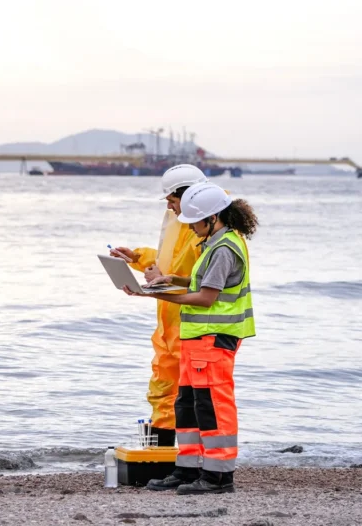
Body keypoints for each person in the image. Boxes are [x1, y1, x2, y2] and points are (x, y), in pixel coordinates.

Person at [123, 181, 258, 495]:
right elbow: (202, 281)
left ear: (212, 218)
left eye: (194, 222)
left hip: (213, 338)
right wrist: (174, 279)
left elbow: (206, 297)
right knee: (187, 405)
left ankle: (218, 477)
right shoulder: (215, 242)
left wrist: (153, 294)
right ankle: (187, 469)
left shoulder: (224, 247)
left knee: (212, 406)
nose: (190, 228)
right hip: (197, 339)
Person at [108, 164, 207, 449]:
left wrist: (157, 284)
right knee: (163, 390)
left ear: (189, 195)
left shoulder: (208, 225)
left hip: (193, 321)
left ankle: (195, 461)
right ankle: (161, 456)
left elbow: (204, 281)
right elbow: (169, 262)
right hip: (170, 322)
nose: (169, 206)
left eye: (172, 200)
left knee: (192, 396)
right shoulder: (182, 220)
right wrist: (137, 257)